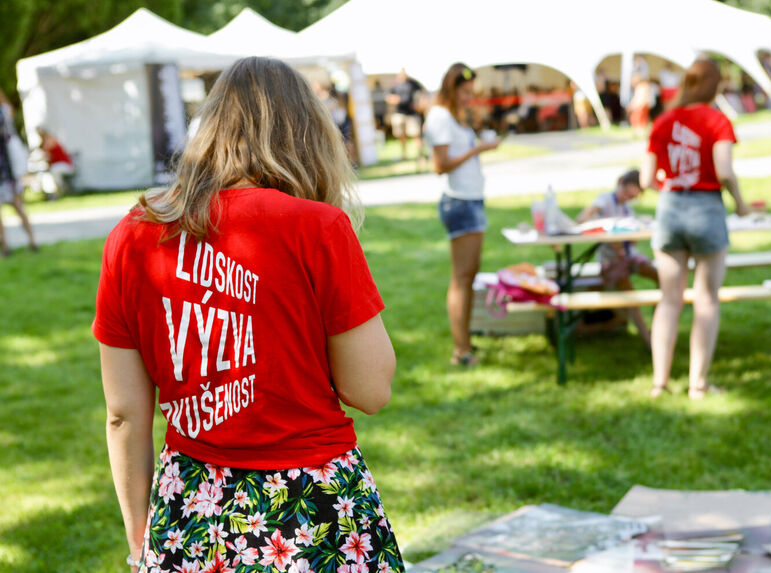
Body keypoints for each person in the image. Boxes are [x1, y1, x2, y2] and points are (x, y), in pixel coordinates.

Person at [92, 57, 403, 573]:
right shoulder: (318, 227)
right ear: (308, 137)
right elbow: (371, 389)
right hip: (313, 504)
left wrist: (139, 540)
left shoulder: (132, 237)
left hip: (191, 508)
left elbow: (123, 415)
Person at [640, 58, 747, 400]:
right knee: (706, 301)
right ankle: (697, 384)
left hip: (670, 206)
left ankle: (660, 383)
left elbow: (645, 179)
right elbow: (725, 170)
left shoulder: (663, 120)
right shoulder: (717, 120)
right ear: (714, 85)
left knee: (668, 300)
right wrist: (741, 204)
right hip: (706, 206)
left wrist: (672, 192)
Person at [424, 63, 500, 367]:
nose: (470, 97)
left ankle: (466, 341)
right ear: (451, 89)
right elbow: (439, 165)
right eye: (465, 92)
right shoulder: (440, 116)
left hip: (472, 199)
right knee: (461, 278)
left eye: (472, 92)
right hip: (460, 202)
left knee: (469, 276)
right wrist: (478, 149)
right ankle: (461, 351)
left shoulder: (454, 116)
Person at [576, 169, 659, 345]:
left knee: (661, 277)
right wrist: (604, 231)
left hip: (629, 256)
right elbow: (582, 219)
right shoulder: (604, 200)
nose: (628, 198)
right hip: (611, 261)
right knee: (631, 296)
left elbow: (634, 241)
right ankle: (649, 340)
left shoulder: (627, 209)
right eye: (627, 194)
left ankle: (659, 328)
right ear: (621, 183)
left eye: (632, 197)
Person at [0, 88, 38, 257]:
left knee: (17, 208)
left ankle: (6, 247)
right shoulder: (4, 113)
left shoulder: (3, 113)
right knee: (19, 207)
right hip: (8, 169)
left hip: (6, 170)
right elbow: (8, 106)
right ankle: (31, 241)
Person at [387, 68, 423, 160]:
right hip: (400, 113)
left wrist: (419, 104)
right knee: (401, 136)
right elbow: (388, 97)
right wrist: (395, 100)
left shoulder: (413, 83)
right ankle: (404, 155)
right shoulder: (395, 85)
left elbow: (422, 93)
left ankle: (420, 155)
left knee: (416, 134)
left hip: (411, 113)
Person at [36, 126, 75, 198]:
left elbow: (46, 153)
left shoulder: (50, 139)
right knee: (47, 172)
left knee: (53, 171)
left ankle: (58, 191)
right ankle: (53, 192)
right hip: (57, 165)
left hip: (64, 164)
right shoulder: (45, 141)